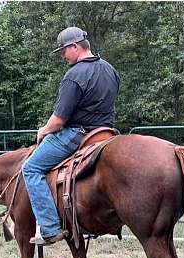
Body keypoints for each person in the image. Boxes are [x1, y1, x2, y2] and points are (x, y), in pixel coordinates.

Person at [22, 26, 120, 246]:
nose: (63, 56)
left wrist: (43, 130)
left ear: (75, 46)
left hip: (77, 135)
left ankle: (49, 228)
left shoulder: (74, 75)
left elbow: (59, 120)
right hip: (106, 134)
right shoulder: (110, 70)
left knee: (30, 168)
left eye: (64, 51)